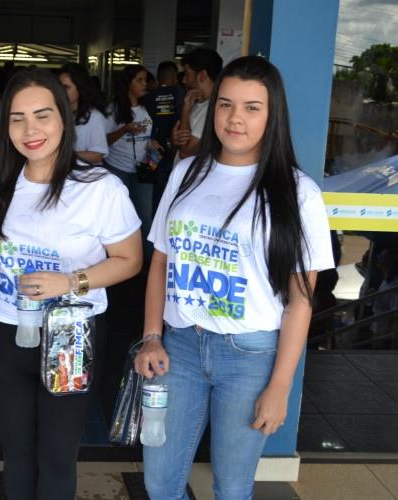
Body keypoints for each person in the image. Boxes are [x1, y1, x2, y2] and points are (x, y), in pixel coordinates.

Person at [134, 56, 335, 500]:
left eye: (251, 107)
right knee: (160, 483)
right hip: (179, 347)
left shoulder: (297, 192)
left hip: (250, 356)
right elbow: (161, 262)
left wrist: (280, 386)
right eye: (225, 105)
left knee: (232, 487)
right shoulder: (187, 172)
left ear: (272, 115)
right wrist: (151, 336)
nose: (235, 118)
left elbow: (300, 299)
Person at [0, 68, 142, 500]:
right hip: (7, 327)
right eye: (17, 118)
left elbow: (129, 260)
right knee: (16, 454)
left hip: (71, 335)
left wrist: (70, 281)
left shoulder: (99, 187)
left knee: (56, 455)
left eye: (42, 115)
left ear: (64, 119)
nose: (29, 130)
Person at [104, 64, 154, 238]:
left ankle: (146, 254)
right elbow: (104, 141)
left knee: (145, 216)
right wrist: (124, 130)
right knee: (119, 217)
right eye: (139, 80)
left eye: (145, 80)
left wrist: (151, 143)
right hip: (117, 167)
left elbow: (147, 135)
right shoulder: (113, 109)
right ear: (128, 83)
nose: (144, 84)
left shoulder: (147, 106)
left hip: (142, 168)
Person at [142, 60, 184, 211]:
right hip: (176, 150)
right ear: (174, 77)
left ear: (158, 77)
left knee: (154, 192)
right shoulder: (181, 94)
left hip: (152, 151)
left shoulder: (148, 97)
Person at [171, 48, 222, 166]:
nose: (184, 80)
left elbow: (185, 152)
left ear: (202, 76)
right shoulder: (198, 103)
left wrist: (185, 109)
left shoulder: (210, 108)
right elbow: (179, 145)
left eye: (187, 74)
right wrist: (174, 140)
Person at [58, 62, 109, 165]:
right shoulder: (58, 113)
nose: (61, 91)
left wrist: (68, 155)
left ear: (80, 88)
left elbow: (97, 155)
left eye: (66, 87)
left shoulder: (94, 117)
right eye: (59, 87)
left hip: (84, 172)